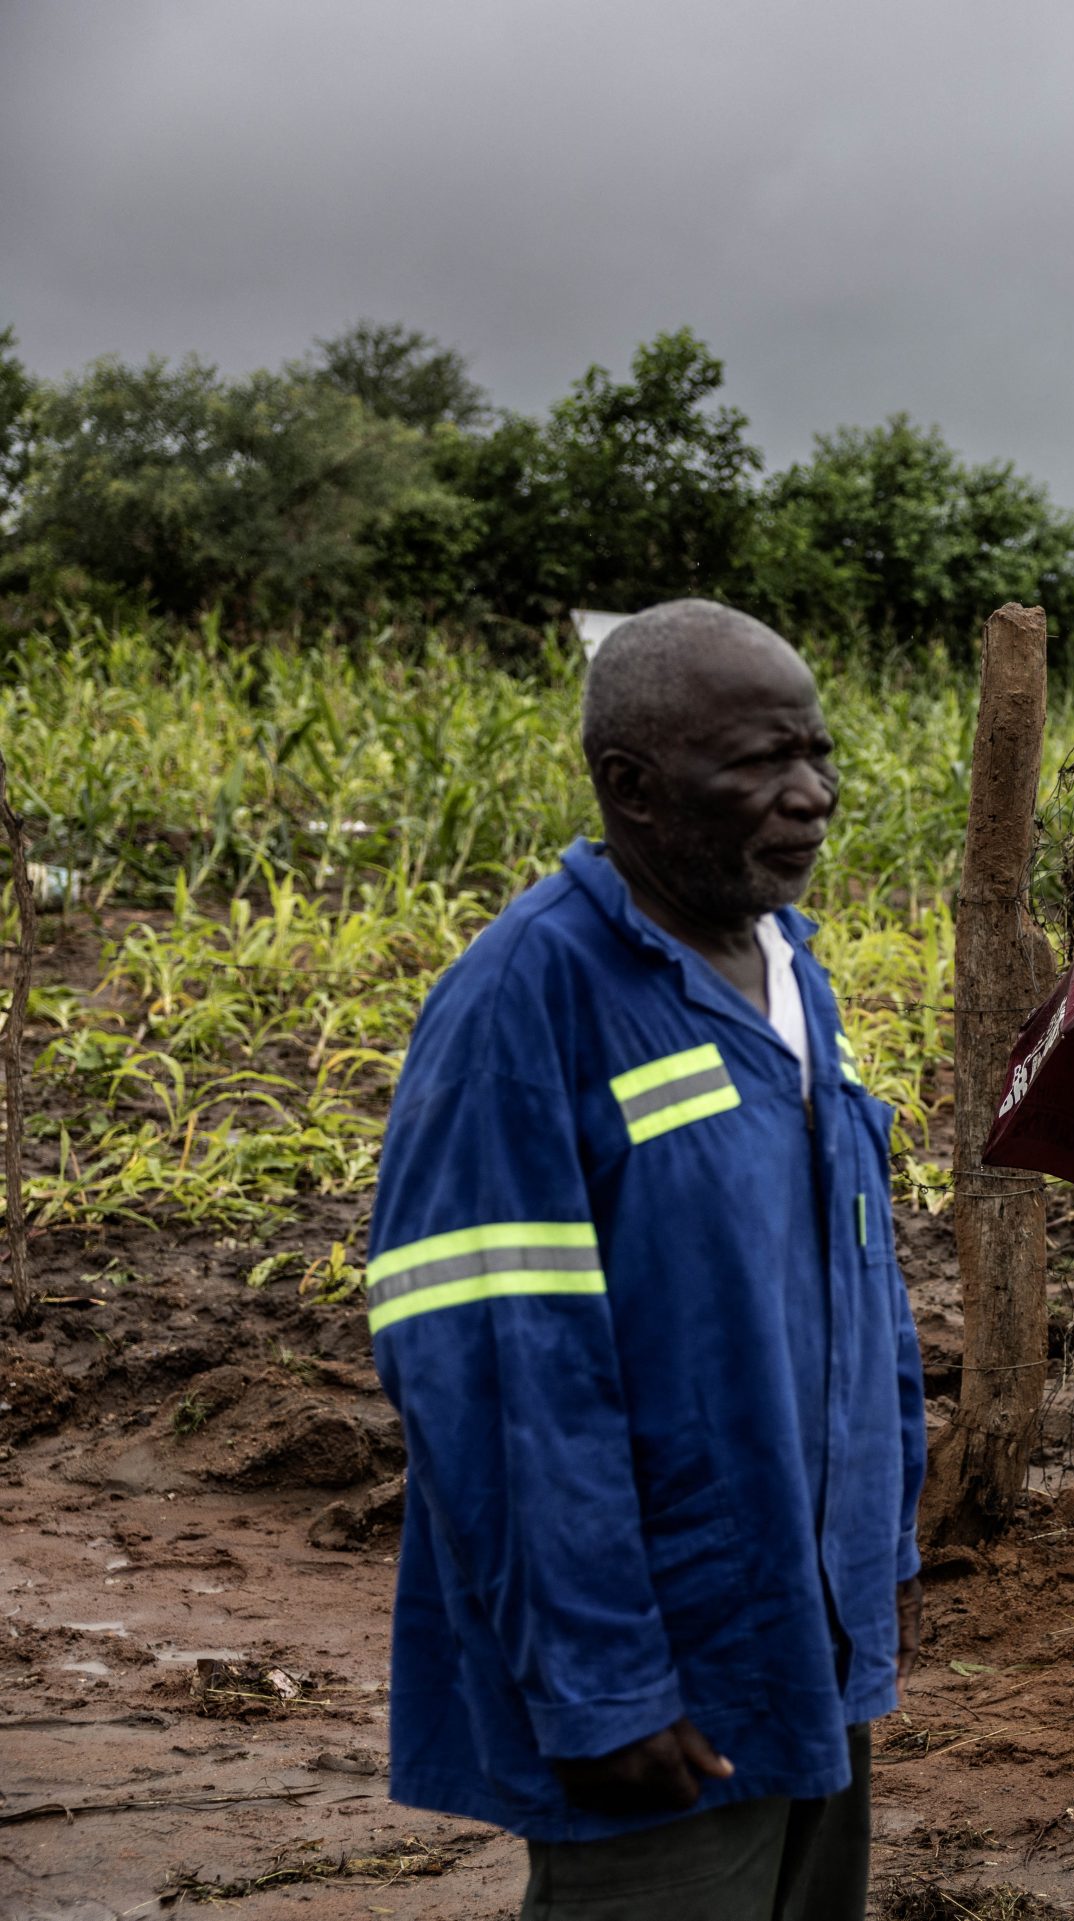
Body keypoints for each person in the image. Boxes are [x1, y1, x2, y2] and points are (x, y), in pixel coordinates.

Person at [364, 600, 926, 1921]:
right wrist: (603, 1679)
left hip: (810, 1626)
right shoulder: (528, 998)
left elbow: (856, 1273)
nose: (810, 798)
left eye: (818, 754)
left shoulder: (791, 968)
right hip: (662, 1655)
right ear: (631, 786)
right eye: (757, 764)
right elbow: (501, 1376)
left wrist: (875, 1554)